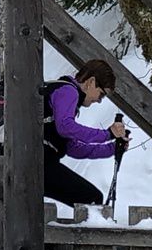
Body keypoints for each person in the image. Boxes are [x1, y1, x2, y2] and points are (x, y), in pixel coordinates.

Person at [38, 59, 130, 207]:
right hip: (36, 162)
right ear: (91, 82)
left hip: (36, 161)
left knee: (92, 198)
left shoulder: (64, 94)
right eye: (101, 94)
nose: (99, 101)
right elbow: (65, 127)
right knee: (91, 198)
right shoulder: (68, 91)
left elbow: (72, 147)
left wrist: (113, 148)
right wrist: (108, 134)